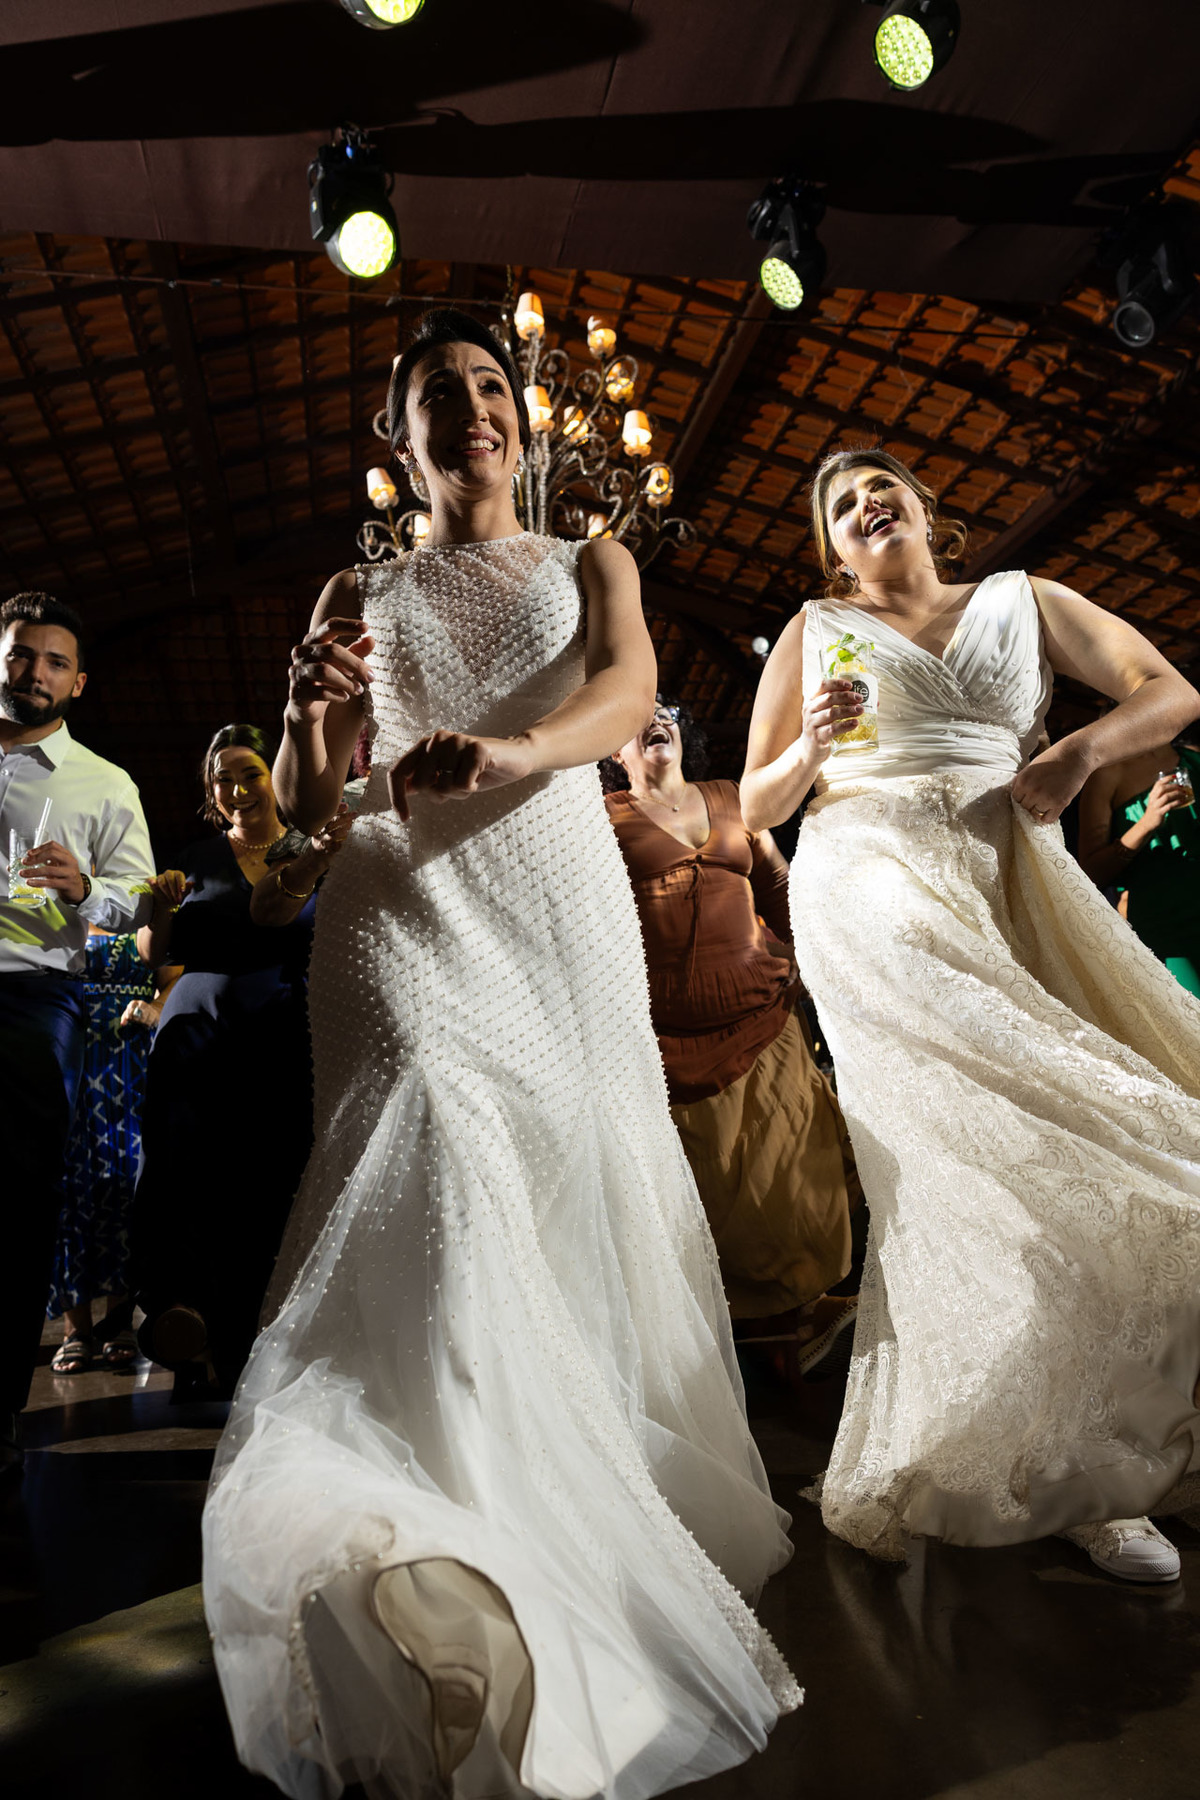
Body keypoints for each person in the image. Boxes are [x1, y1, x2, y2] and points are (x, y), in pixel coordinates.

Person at [202, 308, 798, 1800]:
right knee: (437, 1134)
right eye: (437, 396)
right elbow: (307, 811)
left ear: (522, 428)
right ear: (395, 448)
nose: (472, 408)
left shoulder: (594, 560)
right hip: (397, 903)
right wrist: (305, 723)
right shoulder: (359, 585)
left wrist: (517, 753)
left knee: (563, 1169)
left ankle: (557, 1494)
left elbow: (622, 694)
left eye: (489, 388)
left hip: (546, 888)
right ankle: (436, 1501)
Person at [741, 446, 1200, 1583]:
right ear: (832, 551)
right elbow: (752, 803)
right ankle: (1084, 1467)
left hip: (1014, 872)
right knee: (1040, 1130)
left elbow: (1171, 692)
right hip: (871, 876)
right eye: (839, 506)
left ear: (925, 505)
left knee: (1031, 1168)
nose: (864, 504)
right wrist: (811, 744)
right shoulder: (816, 630)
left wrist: (1075, 753)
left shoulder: (1023, 601)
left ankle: (1092, 1463)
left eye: (877, 485)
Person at [604, 701, 861, 1371]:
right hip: (664, 1045)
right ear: (614, 752)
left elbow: (776, 877)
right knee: (709, 1202)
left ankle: (807, 1315)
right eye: (637, 717)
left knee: (791, 1187)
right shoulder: (604, 820)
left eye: (666, 712)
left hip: (764, 1025)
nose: (655, 719)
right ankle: (711, 1354)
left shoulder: (730, 799)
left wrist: (803, 955)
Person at [0, 590, 155, 1473]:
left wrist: (83, 887)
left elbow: (134, 905)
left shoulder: (105, 785)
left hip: (31, 996)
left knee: (17, 1205)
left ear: (79, 682)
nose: (34, 672)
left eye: (54, 661)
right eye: (21, 654)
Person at [131, 723, 327, 1396]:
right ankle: (198, 1332)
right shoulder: (194, 856)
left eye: (251, 771)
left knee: (279, 1178)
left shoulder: (315, 850)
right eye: (223, 778)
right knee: (195, 1177)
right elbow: (156, 956)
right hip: (201, 1031)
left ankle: (279, 1345)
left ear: (277, 776)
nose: (238, 787)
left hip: (287, 1031)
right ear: (211, 793)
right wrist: (157, 909)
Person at [48, 927, 174, 1374]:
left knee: (127, 1186)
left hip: (128, 1064)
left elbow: (175, 972)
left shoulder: (138, 904)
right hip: (67, 1056)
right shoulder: (45, 904)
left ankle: (119, 1322)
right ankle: (75, 1329)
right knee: (67, 1188)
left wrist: (157, 1006)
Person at [1077, 736, 1200, 995]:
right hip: (1166, 920)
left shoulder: (1193, 760)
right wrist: (1147, 822)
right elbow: (1090, 873)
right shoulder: (1106, 775)